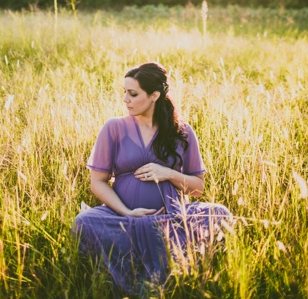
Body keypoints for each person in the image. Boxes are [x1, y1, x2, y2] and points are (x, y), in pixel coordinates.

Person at [72, 62, 231, 296]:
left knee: (220, 214)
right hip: (122, 217)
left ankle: (173, 272)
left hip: (170, 217)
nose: (125, 99)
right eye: (124, 92)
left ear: (154, 95)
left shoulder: (182, 132)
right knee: (84, 220)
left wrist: (168, 173)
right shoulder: (114, 128)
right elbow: (97, 181)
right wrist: (127, 212)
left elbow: (197, 189)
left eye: (133, 94)